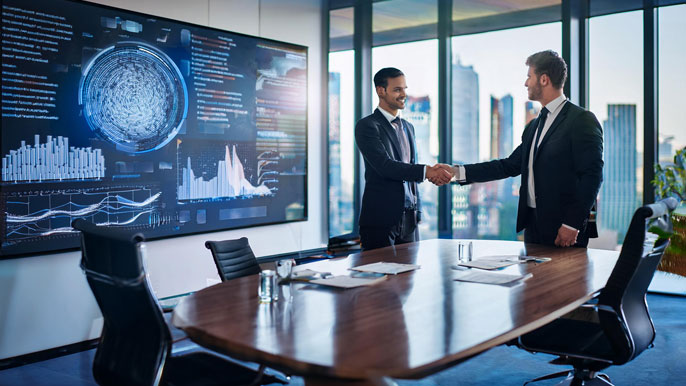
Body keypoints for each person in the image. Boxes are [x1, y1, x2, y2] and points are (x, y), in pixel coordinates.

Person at [445, 50, 603, 247]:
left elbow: (592, 175)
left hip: (565, 228)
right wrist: (457, 172)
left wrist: (572, 224)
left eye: (529, 76)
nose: (526, 83)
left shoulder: (581, 120)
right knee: (534, 279)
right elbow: (508, 166)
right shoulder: (534, 126)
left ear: (544, 79)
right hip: (533, 225)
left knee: (566, 279)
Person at [355, 67, 452, 251]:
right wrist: (428, 171)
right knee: (381, 278)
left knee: (409, 278)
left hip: (410, 220)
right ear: (380, 91)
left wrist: (418, 210)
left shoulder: (409, 127)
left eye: (405, 89)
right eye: (397, 89)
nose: (403, 94)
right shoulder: (367, 126)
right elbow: (385, 166)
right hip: (380, 220)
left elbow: (410, 167)